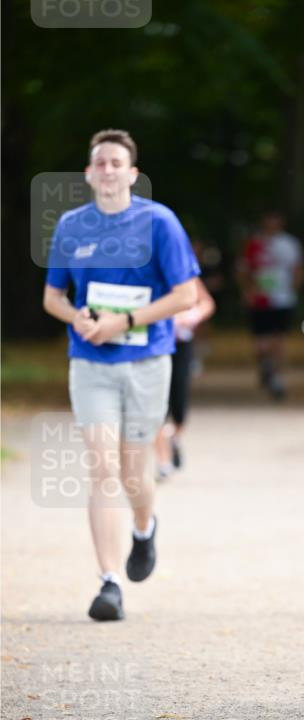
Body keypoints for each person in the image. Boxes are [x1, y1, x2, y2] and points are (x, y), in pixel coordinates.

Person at [43, 128, 200, 622]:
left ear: (132, 173)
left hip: (148, 361)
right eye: (100, 163)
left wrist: (125, 322)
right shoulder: (71, 226)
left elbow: (186, 297)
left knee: (135, 472)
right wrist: (80, 319)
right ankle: (109, 582)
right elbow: (53, 298)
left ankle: (144, 524)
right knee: (101, 468)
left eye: (117, 163)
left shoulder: (159, 223)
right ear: (89, 174)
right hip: (91, 363)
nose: (108, 170)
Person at [237, 212, 304, 399]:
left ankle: (277, 378)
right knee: (261, 344)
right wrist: (248, 290)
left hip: (283, 299)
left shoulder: (290, 244)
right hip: (260, 299)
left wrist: (293, 290)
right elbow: (243, 270)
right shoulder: (253, 243)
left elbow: (298, 268)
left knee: (279, 340)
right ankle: (265, 366)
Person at [155, 276, 216, 479]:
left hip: (181, 344)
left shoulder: (185, 275)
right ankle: (163, 461)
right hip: (154, 346)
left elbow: (207, 303)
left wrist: (193, 315)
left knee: (179, 404)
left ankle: (174, 437)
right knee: (156, 405)